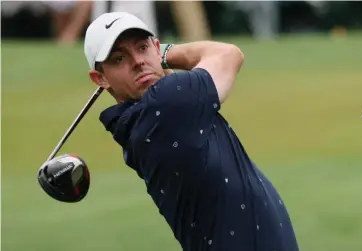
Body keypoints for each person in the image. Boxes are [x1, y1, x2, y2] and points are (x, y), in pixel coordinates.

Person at [84, 12, 299, 251]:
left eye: (142, 48)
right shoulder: (165, 103)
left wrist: (154, 59)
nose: (137, 61)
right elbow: (229, 55)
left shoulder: (141, 120)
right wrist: (162, 54)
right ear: (100, 79)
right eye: (118, 58)